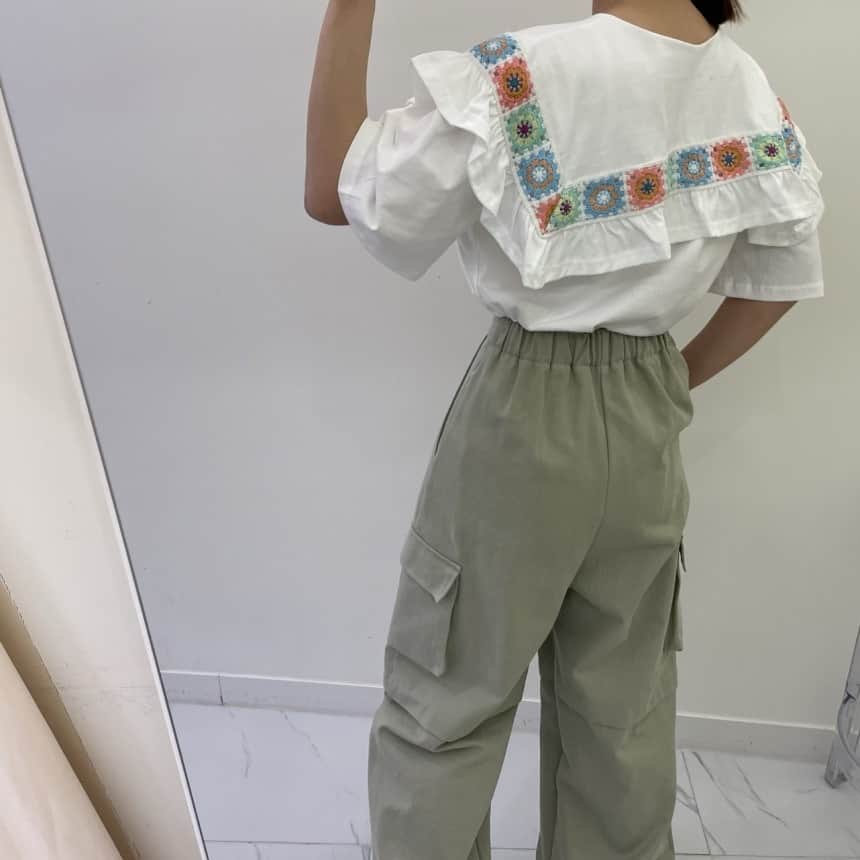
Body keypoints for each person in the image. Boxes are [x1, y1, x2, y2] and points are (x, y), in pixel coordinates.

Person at [304, 0, 825, 857]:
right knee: (623, 714)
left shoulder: (518, 77)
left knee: (446, 700)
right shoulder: (745, 86)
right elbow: (783, 274)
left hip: (524, 409)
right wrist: (669, 382)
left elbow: (334, 191)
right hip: (646, 416)